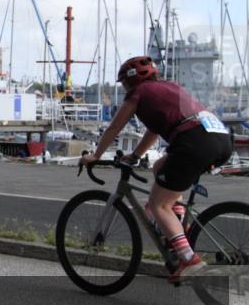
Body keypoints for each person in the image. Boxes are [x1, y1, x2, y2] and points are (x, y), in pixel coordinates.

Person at [80, 56, 233, 283]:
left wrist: (96, 155)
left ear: (130, 82)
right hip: (220, 138)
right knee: (161, 166)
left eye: (123, 84)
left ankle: (189, 259)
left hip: (194, 142)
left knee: (157, 204)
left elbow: (115, 126)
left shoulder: (138, 93)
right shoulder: (169, 87)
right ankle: (178, 222)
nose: (123, 89)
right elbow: (153, 131)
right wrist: (136, 156)